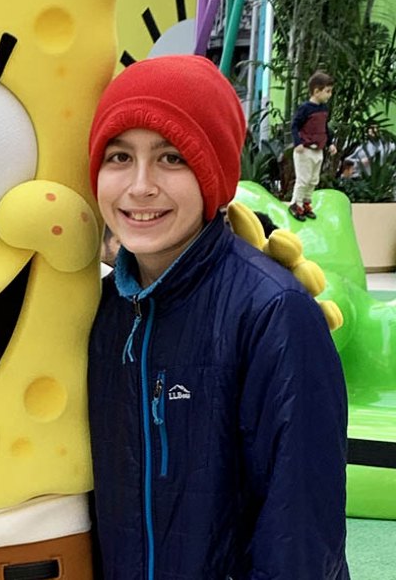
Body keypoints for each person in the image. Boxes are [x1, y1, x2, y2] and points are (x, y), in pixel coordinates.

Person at [86, 55, 348, 579]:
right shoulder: (104, 311)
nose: (139, 186)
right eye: (119, 157)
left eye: (171, 158)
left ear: (214, 174)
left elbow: (298, 537)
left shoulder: (274, 315)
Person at [289, 71, 336, 221]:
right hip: (305, 150)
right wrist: (298, 143)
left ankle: (307, 203)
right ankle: (296, 204)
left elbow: (324, 128)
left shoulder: (323, 109)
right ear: (316, 91)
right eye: (327, 91)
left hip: (318, 150)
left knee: (314, 179)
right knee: (303, 179)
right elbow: (295, 125)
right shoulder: (305, 108)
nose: (329, 95)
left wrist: (330, 143)